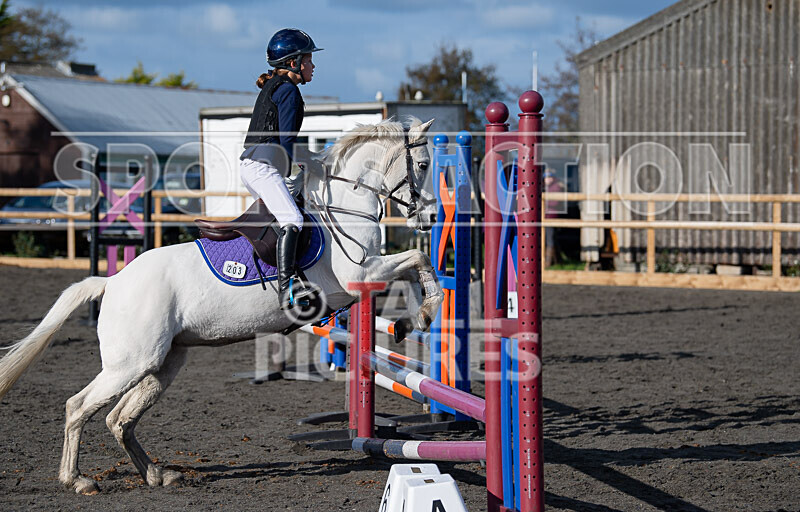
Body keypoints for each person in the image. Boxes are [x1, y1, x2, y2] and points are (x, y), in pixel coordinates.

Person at [240, 28, 322, 309]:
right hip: (263, 168)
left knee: (287, 215)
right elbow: (287, 142)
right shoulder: (288, 91)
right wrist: (311, 163)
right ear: (293, 63)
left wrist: (309, 160)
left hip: (254, 165)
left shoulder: (274, 86)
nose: (313, 66)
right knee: (293, 220)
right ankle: (287, 290)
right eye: (308, 60)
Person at [543, 169, 565, 267]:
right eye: (546, 177)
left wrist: (543, 202)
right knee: (550, 238)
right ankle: (557, 261)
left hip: (551, 217)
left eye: (549, 177)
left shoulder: (556, 187)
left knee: (550, 239)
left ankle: (548, 262)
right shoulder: (546, 187)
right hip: (546, 216)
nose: (547, 179)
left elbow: (554, 202)